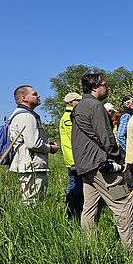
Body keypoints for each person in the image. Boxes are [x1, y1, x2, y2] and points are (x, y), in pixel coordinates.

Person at [71, 73, 133, 252]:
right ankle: (132, 248)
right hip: (100, 163)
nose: (107, 88)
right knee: (123, 202)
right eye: (105, 84)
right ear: (95, 87)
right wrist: (118, 158)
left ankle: (90, 246)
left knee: (90, 207)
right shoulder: (95, 106)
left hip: (85, 165)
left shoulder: (78, 107)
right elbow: (106, 136)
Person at [9, 85, 59, 205]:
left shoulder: (21, 114)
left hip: (28, 163)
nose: (38, 96)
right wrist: (50, 148)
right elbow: (33, 143)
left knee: (31, 199)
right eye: (35, 94)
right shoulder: (26, 116)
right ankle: (30, 223)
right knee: (33, 201)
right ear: (24, 98)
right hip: (31, 164)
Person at [59, 92, 84, 220]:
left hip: (71, 157)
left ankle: (73, 211)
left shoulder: (66, 116)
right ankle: (74, 213)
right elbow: (74, 138)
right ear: (70, 102)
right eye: (77, 101)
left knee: (75, 184)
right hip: (74, 158)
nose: (79, 103)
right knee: (76, 186)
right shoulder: (70, 117)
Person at [116, 95, 133, 159]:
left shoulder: (130, 115)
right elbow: (120, 136)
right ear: (128, 104)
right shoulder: (126, 116)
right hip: (125, 152)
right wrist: (129, 151)